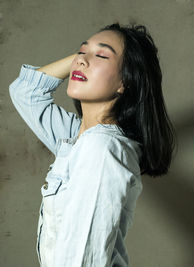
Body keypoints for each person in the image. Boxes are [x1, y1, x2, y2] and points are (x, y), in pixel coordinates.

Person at [9, 21, 177, 267]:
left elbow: (81, 260)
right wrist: (85, 58)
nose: (82, 60)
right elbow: (26, 91)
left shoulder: (102, 148)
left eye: (102, 55)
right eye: (81, 50)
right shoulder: (80, 137)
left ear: (125, 82)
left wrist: (86, 57)